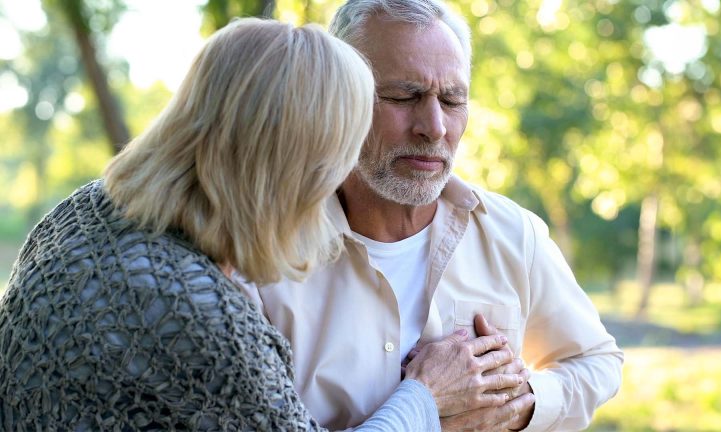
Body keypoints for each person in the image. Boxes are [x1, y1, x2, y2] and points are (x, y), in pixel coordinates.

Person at [0, 17, 524, 431]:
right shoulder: (203, 323)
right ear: (288, 168)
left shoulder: (80, 214)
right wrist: (427, 396)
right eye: (334, 165)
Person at [248, 1, 624, 431]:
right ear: (340, 100)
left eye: (452, 99)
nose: (434, 126)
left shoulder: (512, 233)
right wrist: (425, 404)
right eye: (404, 97)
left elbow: (596, 360)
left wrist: (520, 406)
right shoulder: (263, 252)